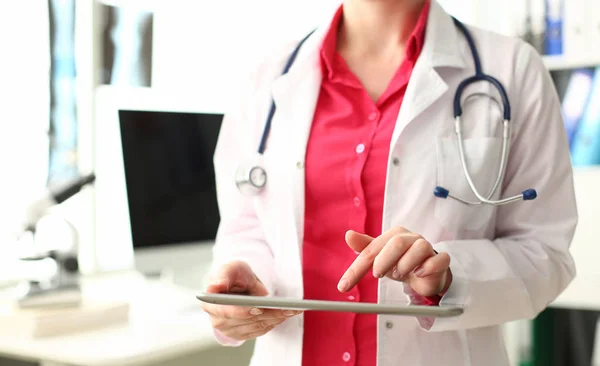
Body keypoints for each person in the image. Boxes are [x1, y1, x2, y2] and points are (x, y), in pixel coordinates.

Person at [200, 0, 578, 365]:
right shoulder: (266, 78)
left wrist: (450, 275)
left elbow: (544, 252)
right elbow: (246, 228)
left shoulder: (512, 69)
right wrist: (240, 287)